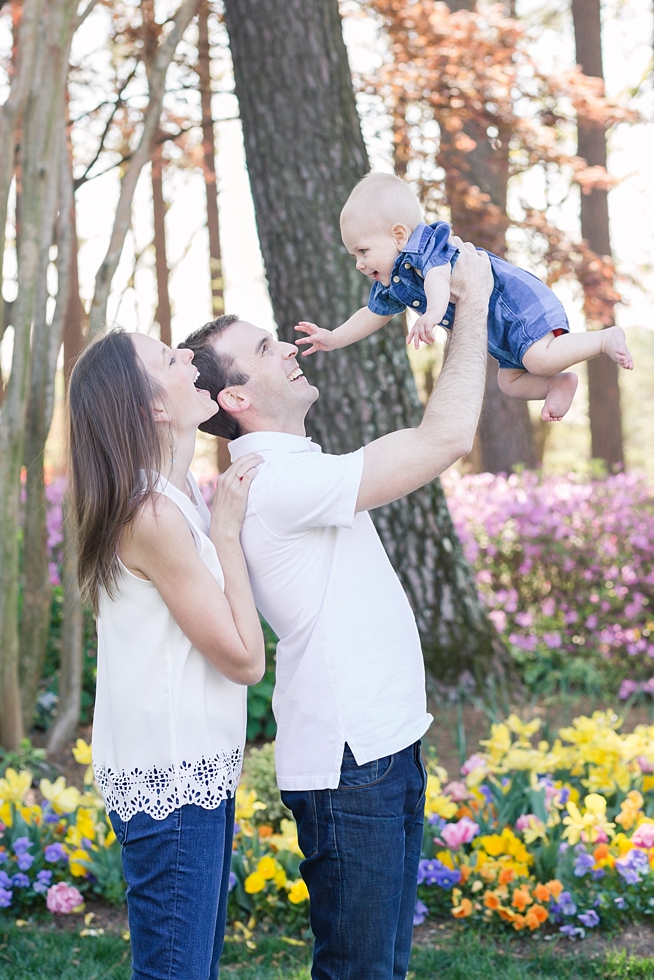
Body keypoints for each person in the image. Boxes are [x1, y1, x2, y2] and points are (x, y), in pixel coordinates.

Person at [180, 240, 491, 980]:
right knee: (360, 972)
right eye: (264, 348)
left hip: (383, 746)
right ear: (236, 398)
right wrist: (470, 304)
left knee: (380, 966)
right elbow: (444, 438)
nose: (287, 346)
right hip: (354, 764)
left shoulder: (290, 470)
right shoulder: (275, 481)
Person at [67, 328, 265, 980]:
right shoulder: (152, 514)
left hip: (194, 769)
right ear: (153, 406)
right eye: (169, 358)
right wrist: (230, 535)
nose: (189, 359)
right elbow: (243, 660)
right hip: (173, 782)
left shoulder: (176, 496)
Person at [295, 171, 634, 423]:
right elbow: (373, 313)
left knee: (538, 360)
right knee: (510, 382)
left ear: (398, 235)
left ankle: (605, 339)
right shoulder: (396, 279)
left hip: (513, 305)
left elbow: (439, 279)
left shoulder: (424, 248)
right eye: (354, 256)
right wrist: (334, 337)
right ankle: (558, 385)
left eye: (363, 251)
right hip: (498, 331)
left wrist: (432, 314)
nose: (359, 263)